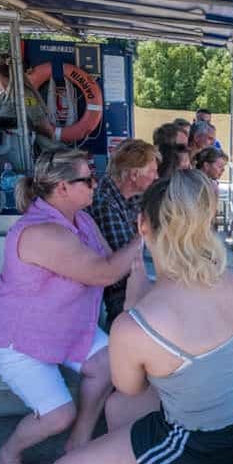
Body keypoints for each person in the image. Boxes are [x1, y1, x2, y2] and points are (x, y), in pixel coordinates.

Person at [46, 170, 233, 464]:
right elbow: (193, 314)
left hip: (203, 444)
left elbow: (129, 385)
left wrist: (134, 306)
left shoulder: (136, 326)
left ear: (142, 225)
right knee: (117, 409)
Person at [0, 149, 142, 464]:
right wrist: (146, 237)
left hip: (67, 330)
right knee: (57, 415)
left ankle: (78, 444)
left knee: (109, 364)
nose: (95, 184)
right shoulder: (42, 233)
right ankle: (7, 457)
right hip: (18, 341)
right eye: (88, 179)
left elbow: (108, 260)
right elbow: (106, 272)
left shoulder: (80, 219)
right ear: (64, 187)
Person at [88, 139, 159, 330]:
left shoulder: (130, 195)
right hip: (118, 291)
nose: (156, 176)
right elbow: (122, 268)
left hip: (132, 276)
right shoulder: (105, 203)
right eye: (152, 171)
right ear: (134, 175)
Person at [0, 53, 56, 149]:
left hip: (24, 151)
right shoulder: (3, 96)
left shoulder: (24, 95)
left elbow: (43, 125)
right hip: (4, 149)